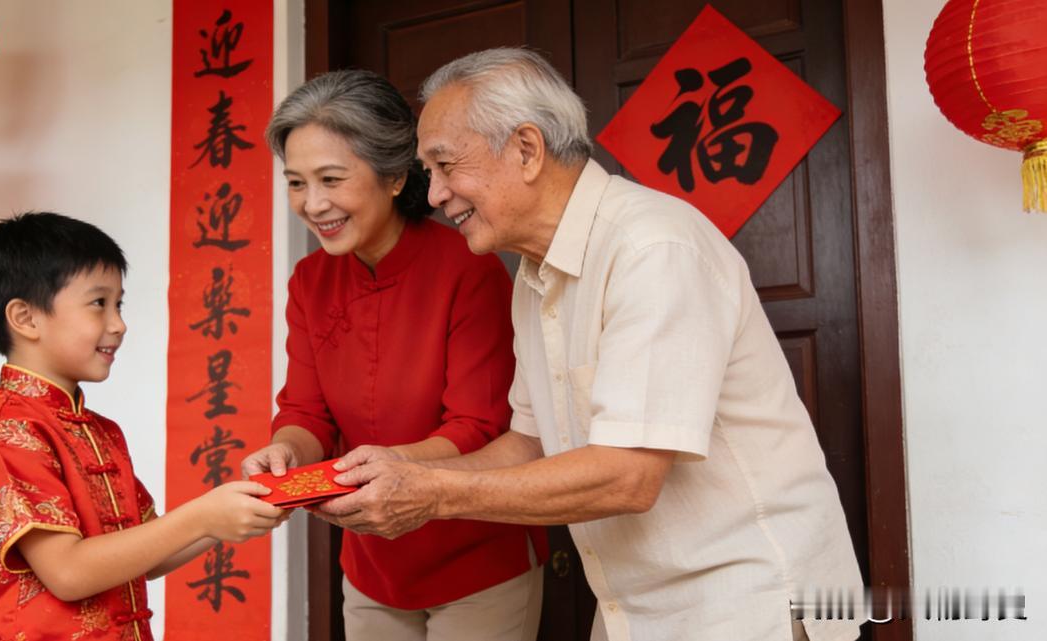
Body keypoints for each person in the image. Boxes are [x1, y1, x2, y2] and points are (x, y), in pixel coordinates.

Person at [320, 49, 866, 641]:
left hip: (745, 600)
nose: (435, 195)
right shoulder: (533, 275)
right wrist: (406, 467)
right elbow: (529, 443)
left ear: (526, 149)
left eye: (446, 165)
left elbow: (629, 475)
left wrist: (431, 494)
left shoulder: (652, 248)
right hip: (633, 608)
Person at [241, 70, 548, 641]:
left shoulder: (468, 267)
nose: (313, 203)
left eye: (332, 179)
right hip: (372, 562)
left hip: (476, 555)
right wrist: (286, 453)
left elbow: (478, 427)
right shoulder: (310, 280)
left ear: (394, 176)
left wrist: (379, 467)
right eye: (296, 183)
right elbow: (307, 413)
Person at [0, 212, 285, 641]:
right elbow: (68, 572)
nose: (119, 324)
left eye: (118, 304)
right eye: (99, 304)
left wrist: (247, 504)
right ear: (26, 318)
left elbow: (150, 553)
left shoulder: (101, 431)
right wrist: (204, 515)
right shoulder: (7, 432)